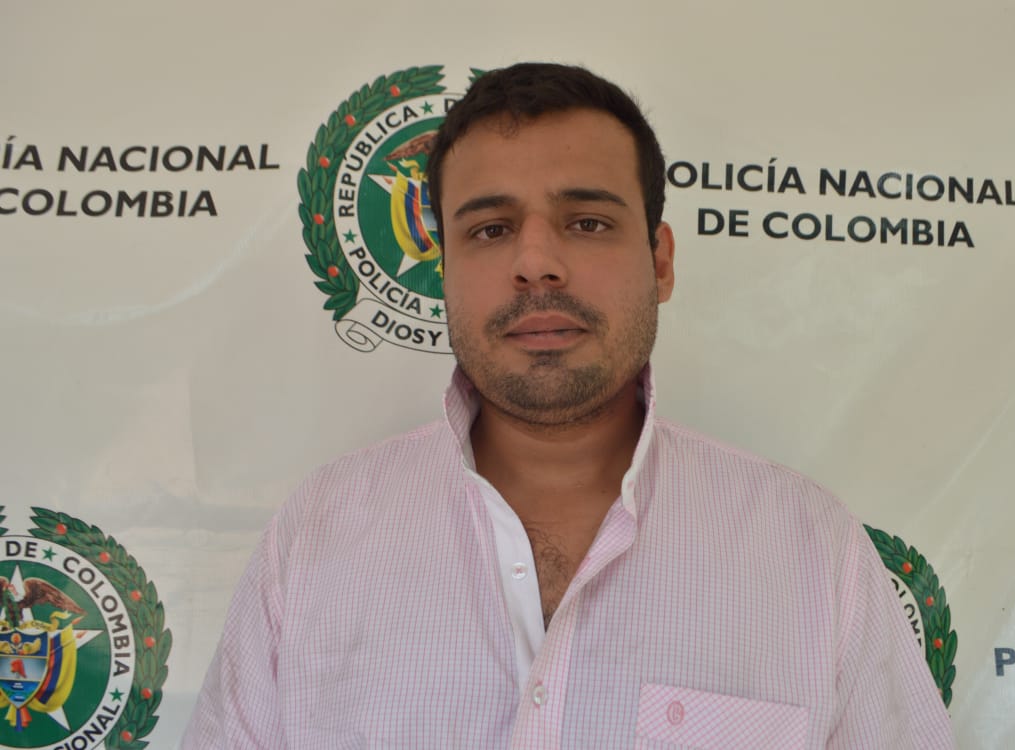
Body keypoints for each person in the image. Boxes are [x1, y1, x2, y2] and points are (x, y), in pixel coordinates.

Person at [183, 62, 955, 749]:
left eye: (587, 222)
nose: (536, 263)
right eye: (491, 228)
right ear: (445, 271)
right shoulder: (318, 538)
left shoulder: (811, 552)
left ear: (660, 262)